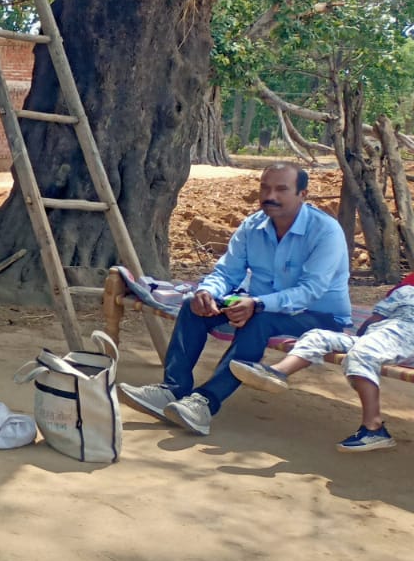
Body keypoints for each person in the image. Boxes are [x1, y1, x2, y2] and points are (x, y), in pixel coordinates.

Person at [122, 163, 351, 437]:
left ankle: (205, 402)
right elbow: (227, 273)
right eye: (265, 188)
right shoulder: (253, 226)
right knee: (193, 306)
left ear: (303, 194)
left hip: (319, 315)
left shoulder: (325, 231)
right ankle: (172, 389)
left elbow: (311, 290)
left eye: (281, 189)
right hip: (260, 305)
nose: (270, 196)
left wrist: (257, 304)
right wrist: (207, 293)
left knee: (259, 320)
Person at [232, 274, 414, 452]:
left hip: (399, 337)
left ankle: (374, 428)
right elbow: (374, 320)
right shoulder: (405, 291)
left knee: (362, 353)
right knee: (317, 336)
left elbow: (374, 320)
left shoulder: (404, 291)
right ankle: (277, 372)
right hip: (380, 338)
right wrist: (359, 339)